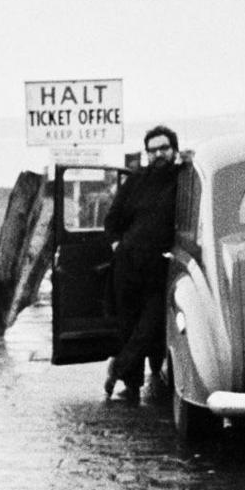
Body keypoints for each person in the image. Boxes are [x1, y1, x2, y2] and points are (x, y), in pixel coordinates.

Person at [100, 125, 185, 404]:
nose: (159, 154)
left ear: (174, 149)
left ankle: (119, 366)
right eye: (153, 150)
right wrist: (118, 247)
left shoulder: (184, 181)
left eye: (164, 148)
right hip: (128, 265)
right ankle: (131, 384)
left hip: (162, 267)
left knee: (151, 325)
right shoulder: (135, 181)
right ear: (147, 153)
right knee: (128, 325)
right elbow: (112, 222)